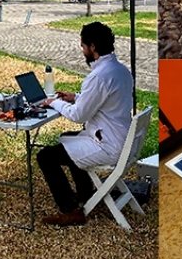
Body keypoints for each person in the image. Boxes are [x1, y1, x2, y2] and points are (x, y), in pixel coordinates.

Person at [36, 21, 133, 226]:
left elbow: (79, 116)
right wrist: (75, 96)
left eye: (83, 46)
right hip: (121, 138)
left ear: (93, 47)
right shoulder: (120, 70)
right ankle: (85, 193)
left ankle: (70, 210)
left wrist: (55, 102)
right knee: (70, 139)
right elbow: (104, 100)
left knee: (46, 156)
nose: (82, 51)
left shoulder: (99, 76)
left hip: (109, 145)